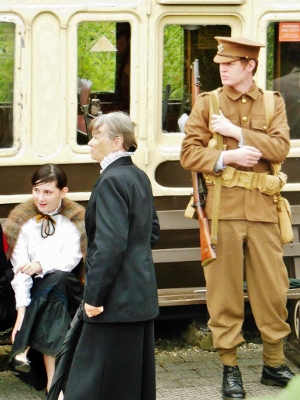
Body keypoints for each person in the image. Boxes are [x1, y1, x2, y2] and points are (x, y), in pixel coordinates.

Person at [180, 37, 295, 400]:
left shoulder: (272, 102)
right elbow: (188, 154)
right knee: (224, 294)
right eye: (220, 63)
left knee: (273, 292)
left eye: (231, 62)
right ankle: (230, 368)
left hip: (263, 211)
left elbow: (280, 148)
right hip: (221, 212)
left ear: (251, 65)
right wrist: (227, 158)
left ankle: (273, 363)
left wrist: (235, 133)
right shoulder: (208, 103)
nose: (223, 67)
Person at [63, 111, 160, 400]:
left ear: (117, 142)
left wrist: (94, 297)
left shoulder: (110, 181)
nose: (90, 142)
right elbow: (151, 233)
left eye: (96, 136)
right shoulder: (138, 176)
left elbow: (109, 246)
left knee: (92, 384)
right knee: (129, 386)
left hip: (112, 304)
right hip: (138, 299)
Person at [3, 164, 87, 399]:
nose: (40, 198)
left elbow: (69, 261)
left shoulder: (73, 220)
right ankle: (54, 385)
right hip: (40, 296)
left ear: (64, 191)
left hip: (69, 289)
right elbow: (20, 272)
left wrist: (40, 264)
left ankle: (23, 346)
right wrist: (21, 313)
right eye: (36, 190)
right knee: (51, 302)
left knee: (57, 279)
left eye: (48, 192)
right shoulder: (23, 222)